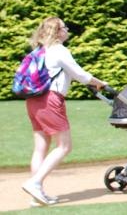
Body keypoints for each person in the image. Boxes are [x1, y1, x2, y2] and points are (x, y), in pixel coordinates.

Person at [22, 17, 107, 206]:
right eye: (65, 27)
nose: (67, 30)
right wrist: (100, 83)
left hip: (33, 101)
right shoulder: (60, 50)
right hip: (51, 100)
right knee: (64, 146)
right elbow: (81, 75)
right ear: (58, 31)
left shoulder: (39, 51)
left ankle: (36, 194)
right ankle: (35, 183)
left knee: (41, 147)